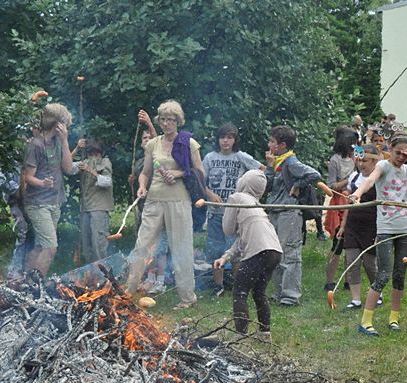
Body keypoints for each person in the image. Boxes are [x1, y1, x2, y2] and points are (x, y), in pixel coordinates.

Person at [126, 100, 206, 309]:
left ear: (178, 121)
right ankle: (128, 290)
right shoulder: (153, 144)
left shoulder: (189, 143)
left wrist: (179, 173)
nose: (167, 123)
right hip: (154, 200)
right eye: (163, 119)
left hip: (179, 201)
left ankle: (187, 297)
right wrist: (142, 187)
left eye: (171, 119)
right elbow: (145, 173)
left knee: (181, 248)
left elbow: (200, 173)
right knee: (142, 244)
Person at [351, 133, 407, 336]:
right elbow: (370, 180)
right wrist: (357, 194)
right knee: (383, 273)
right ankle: (366, 321)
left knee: (399, 275)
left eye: (405, 153)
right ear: (390, 150)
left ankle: (394, 318)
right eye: (397, 152)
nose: (401, 157)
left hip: (406, 226)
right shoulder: (384, 166)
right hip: (386, 227)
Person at [213, 170, 282, 337]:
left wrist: (230, 212)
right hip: (274, 251)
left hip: (258, 251)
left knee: (240, 291)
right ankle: (265, 333)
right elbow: (242, 239)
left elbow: (228, 230)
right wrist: (225, 257)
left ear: (244, 182)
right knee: (259, 291)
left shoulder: (236, 198)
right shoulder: (257, 206)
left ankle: (240, 336)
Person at [264, 125, 322, 307]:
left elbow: (314, 175)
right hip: (275, 210)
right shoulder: (278, 162)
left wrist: (298, 185)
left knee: (289, 253)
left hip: (289, 213)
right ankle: (279, 291)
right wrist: (269, 167)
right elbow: (269, 185)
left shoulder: (291, 162)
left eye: (272, 141)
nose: (269, 144)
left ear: (282, 145)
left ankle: (290, 296)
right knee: (275, 253)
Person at [202, 123, 263, 295]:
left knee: (236, 249)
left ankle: (238, 285)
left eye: (229, 137)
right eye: (222, 137)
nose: (225, 141)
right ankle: (218, 285)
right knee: (215, 248)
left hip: (235, 212)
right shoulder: (210, 158)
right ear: (218, 139)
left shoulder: (241, 157)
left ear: (235, 140)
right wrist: (210, 194)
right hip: (215, 212)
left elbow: (261, 171)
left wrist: (247, 194)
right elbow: (200, 180)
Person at [22, 103, 74, 277]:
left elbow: (68, 168)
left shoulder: (59, 142)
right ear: (57, 123)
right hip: (38, 203)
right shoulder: (35, 145)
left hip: (55, 202)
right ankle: (37, 286)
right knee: (50, 247)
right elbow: (27, 177)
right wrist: (42, 183)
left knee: (40, 246)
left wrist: (65, 140)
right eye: (65, 122)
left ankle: (25, 282)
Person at [339, 145, 380, 309]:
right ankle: (355, 298)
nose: (362, 164)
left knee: (370, 263)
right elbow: (349, 204)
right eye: (359, 160)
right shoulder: (354, 178)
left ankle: (377, 291)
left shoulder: (378, 179)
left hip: (371, 225)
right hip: (353, 225)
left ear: (374, 161)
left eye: (366, 161)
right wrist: (343, 225)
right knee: (352, 261)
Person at [323, 127, 357, 291]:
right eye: (353, 143)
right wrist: (348, 179)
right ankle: (329, 280)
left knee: (351, 244)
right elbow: (332, 186)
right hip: (340, 203)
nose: (355, 147)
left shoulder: (356, 157)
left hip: (353, 201)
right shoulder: (335, 160)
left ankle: (348, 280)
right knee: (338, 244)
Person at [71, 138, 113, 264]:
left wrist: (91, 171)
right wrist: (77, 148)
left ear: (101, 153)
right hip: (86, 208)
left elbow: (107, 182)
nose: (93, 157)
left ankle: (104, 275)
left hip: (99, 208)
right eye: (91, 154)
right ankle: (91, 276)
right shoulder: (84, 162)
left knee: (98, 244)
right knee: (87, 245)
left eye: (96, 154)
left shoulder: (105, 162)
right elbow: (67, 167)